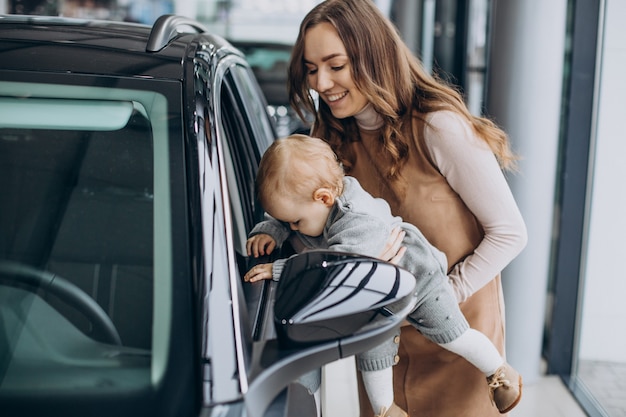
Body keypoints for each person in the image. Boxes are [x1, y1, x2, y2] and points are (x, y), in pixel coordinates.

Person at [285, 1, 528, 417]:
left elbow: (509, 232)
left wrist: (441, 298)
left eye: (335, 65)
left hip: (458, 348)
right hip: (382, 347)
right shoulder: (327, 140)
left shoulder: (438, 127)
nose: (321, 82)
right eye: (311, 69)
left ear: (373, 57)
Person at [244, 134, 522, 417]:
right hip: (375, 294)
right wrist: (270, 231)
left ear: (325, 198)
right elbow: (284, 216)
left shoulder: (358, 221)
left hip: (419, 278)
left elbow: (336, 269)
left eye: (296, 222)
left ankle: (499, 371)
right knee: (373, 353)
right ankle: (386, 410)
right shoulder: (316, 200)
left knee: (452, 335)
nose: (293, 227)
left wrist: (279, 270)